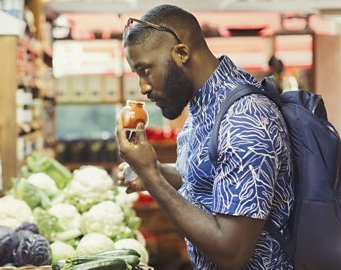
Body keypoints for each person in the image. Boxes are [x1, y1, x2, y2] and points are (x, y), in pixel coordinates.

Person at [116, 4, 294, 270]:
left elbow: (231, 252)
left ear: (182, 53)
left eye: (145, 70)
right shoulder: (207, 103)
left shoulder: (245, 118)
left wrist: (152, 178)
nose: (143, 87)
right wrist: (154, 171)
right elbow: (205, 179)